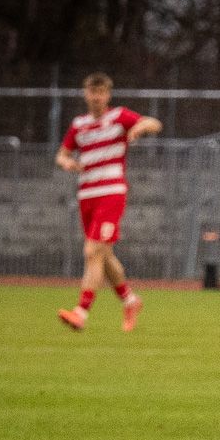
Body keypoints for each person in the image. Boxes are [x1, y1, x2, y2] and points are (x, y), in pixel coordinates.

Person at [55, 73, 161, 332]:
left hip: (111, 192)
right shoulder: (79, 124)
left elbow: (154, 123)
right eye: (93, 92)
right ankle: (131, 301)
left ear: (108, 95)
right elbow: (62, 154)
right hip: (87, 195)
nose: (97, 97)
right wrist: (67, 162)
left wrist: (140, 127)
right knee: (104, 254)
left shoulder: (119, 117)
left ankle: (81, 312)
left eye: (101, 92)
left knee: (92, 251)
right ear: (85, 94)